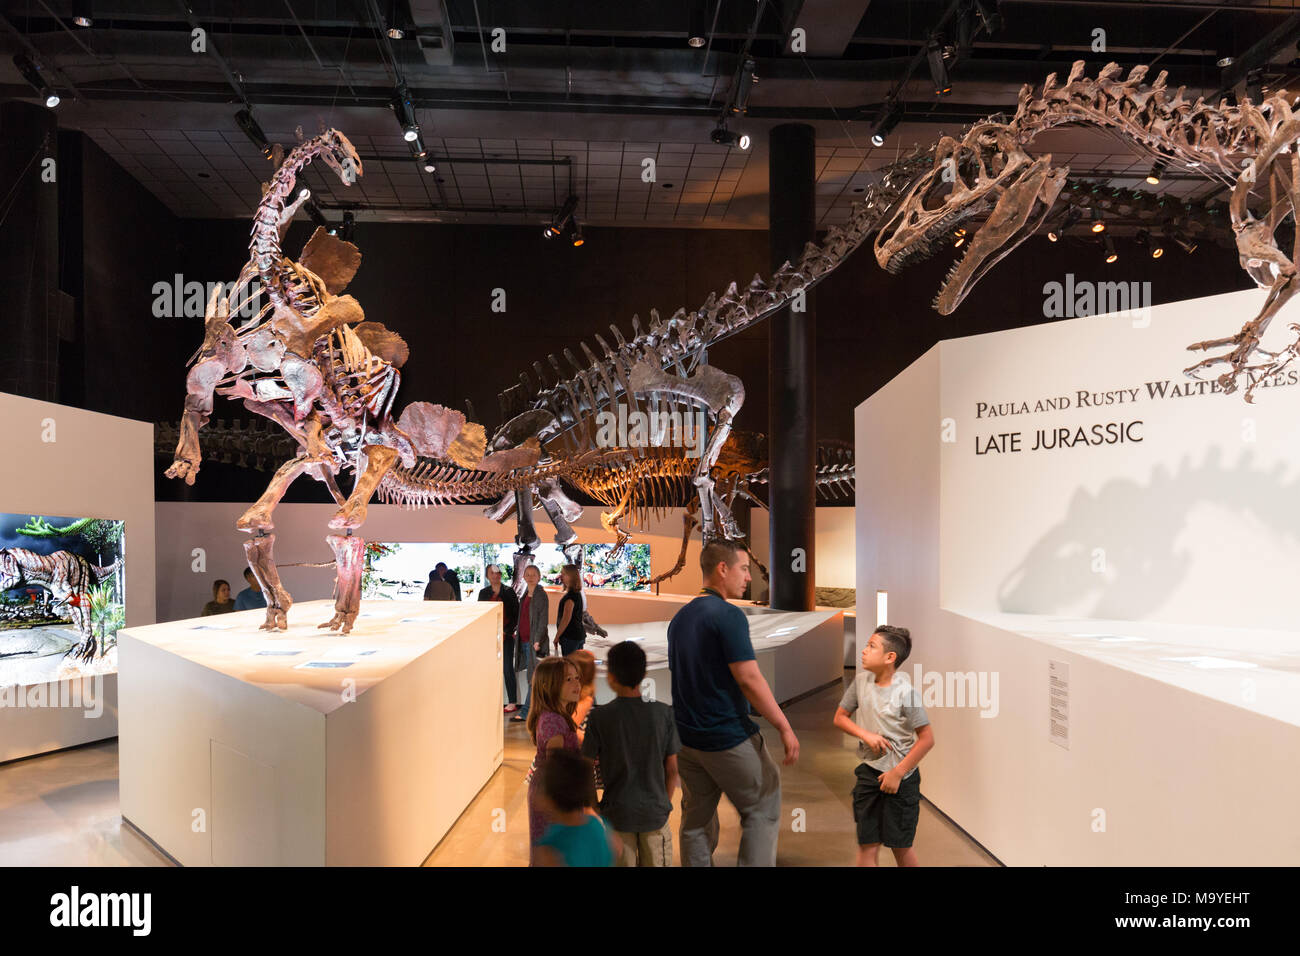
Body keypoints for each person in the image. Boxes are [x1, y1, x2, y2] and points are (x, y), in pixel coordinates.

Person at [667, 540, 798, 867]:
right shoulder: (728, 616)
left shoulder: (679, 620)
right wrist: (784, 726)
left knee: (696, 820)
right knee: (763, 809)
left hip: (686, 741)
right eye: (743, 569)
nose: (748, 578)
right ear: (722, 569)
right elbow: (749, 678)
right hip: (726, 738)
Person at [833, 625, 935, 867]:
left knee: (901, 848)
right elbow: (840, 717)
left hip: (902, 780)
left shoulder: (906, 693)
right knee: (867, 845)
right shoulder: (860, 682)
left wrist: (897, 773)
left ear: (890, 657)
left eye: (871, 646)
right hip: (869, 774)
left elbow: (927, 738)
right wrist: (865, 735)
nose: (864, 651)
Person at [582, 640, 680, 867]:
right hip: (655, 814)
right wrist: (664, 804)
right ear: (644, 673)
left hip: (616, 814)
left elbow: (585, 767)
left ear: (611, 676)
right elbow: (672, 769)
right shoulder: (664, 713)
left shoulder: (600, 717)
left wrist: (594, 806)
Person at [526, 656, 584, 864]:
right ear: (548, 685)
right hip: (554, 795)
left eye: (577, 678)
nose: (577, 683)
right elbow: (556, 769)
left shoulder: (556, 717)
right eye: (568, 679)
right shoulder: (553, 721)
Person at [533, 750, 620, 867]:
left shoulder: (551, 850)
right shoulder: (601, 827)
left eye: (541, 787)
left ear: (552, 797)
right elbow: (617, 848)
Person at [478, 564, 522, 714]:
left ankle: (511, 702)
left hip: (507, 636)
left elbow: (517, 616)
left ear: (501, 575)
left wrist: (506, 631)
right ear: (487, 576)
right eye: (492, 573)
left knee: (507, 668)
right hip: (489, 636)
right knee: (489, 669)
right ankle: (490, 699)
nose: (495, 576)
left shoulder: (509, 592)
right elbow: (481, 615)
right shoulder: (483, 593)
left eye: (497, 573)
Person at [514, 564, 549, 723]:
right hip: (524, 641)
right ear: (523, 577)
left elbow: (543, 620)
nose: (530, 576)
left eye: (534, 574)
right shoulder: (525, 595)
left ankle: (526, 711)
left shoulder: (541, 595)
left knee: (533, 678)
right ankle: (537, 710)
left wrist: (537, 640)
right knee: (534, 678)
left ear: (539, 576)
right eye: (527, 574)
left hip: (534, 643)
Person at [555, 564, 586, 656]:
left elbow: (566, 619)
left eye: (563, 574)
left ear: (571, 576)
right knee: (577, 666)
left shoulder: (570, 596)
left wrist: (557, 637)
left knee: (569, 666)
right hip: (578, 635)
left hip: (570, 637)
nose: (561, 576)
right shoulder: (576, 594)